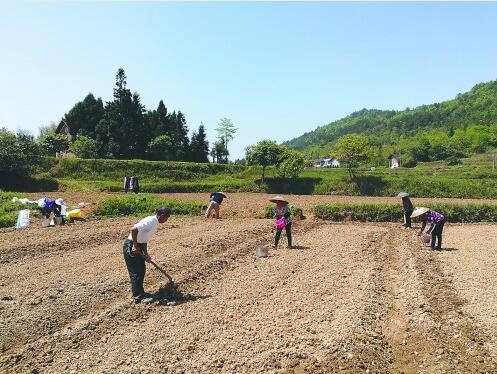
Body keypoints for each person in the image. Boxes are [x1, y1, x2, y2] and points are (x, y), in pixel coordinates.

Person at [123, 207, 171, 304]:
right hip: (131, 246)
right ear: (162, 215)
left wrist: (146, 254)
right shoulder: (150, 221)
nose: (167, 220)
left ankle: (141, 293)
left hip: (138, 245)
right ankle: (138, 297)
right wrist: (135, 246)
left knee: (141, 270)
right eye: (167, 217)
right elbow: (133, 229)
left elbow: (144, 239)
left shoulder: (155, 223)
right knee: (136, 272)